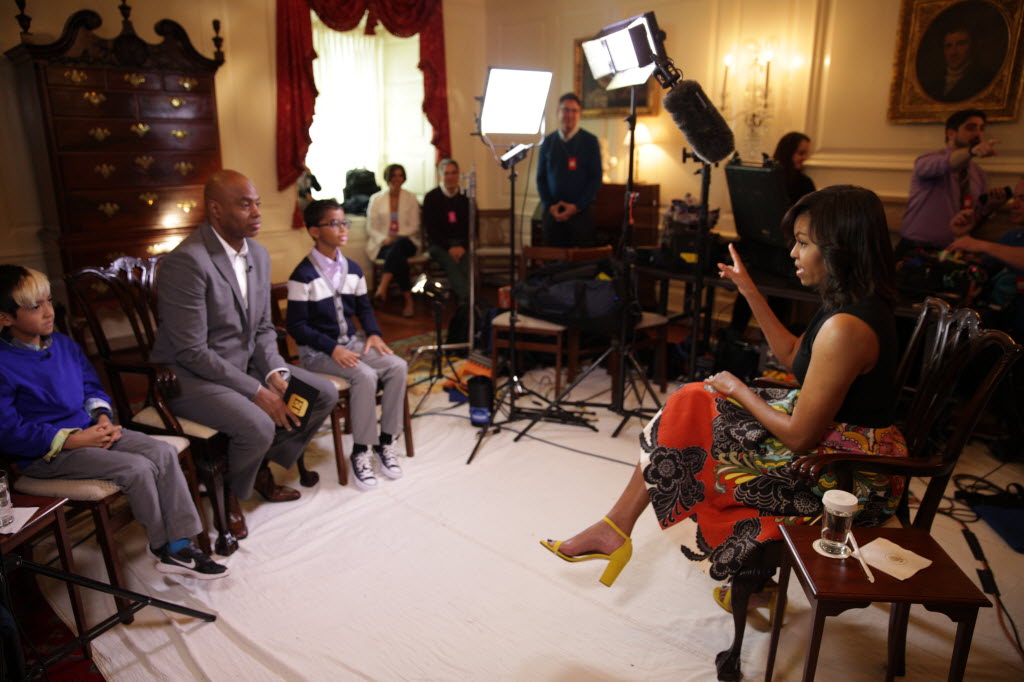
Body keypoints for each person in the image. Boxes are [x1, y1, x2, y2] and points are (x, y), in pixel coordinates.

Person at [541, 186, 907, 590]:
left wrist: (738, 389)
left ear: (840, 248)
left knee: (695, 431)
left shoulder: (846, 328)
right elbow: (792, 356)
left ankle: (716, 561)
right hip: (833, 443)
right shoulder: (846, 305)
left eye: (803, 243)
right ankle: (616, 528)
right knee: (691, 403)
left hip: (847, 475)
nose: (793, 253)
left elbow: (800, 438)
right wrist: (748, 289)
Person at [0, 265, 228, 579]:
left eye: (49, 301)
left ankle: (179, 543)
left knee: (162, 452)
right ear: (6, 318)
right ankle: (163, 546)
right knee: (137, 468)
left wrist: (104, 418)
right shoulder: (4, 363)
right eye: (35, 307)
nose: (48, 312)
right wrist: (73, 440)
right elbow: (9, 431)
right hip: (46, 454)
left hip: (91, 431)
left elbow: (91, 387)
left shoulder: (63, 344)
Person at [150, 170, 336, 540]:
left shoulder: (259, 255)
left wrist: (274, 373)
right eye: (245, 204)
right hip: (189, 378)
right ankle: (229, 494)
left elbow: (264, 328)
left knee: (322, 394)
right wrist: (256, 392)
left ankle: (257, 465)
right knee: (258, 424)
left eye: (257, 203)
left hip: (244, 365)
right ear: (216, 210)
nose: (256, 212)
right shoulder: (187, 261)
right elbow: (191, 351)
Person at [286, 199, 409, 491]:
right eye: (334, 223)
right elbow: (296, 326)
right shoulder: (301, 276)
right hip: (318, 353)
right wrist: (332, 348)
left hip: (351, 343)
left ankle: (386, 442)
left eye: (344, 222)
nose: (343, 229)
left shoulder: (353, 269)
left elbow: (364, 308)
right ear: (315, 231)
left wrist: (374, 333)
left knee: (397, 366)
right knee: (364, 375)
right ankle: (361, 450)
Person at [728, 132, 817, 337]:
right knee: (750, 297)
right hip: (763, 255)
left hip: (782, 258)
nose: (804, 158)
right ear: (788, 152)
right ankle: (738, 342)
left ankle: (768, 348)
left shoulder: (803, 183)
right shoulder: (768, 180)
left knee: (775, 305)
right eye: (800, 153)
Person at [898, 109, 1003, 253]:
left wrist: (990, 207)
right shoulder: (929, 161)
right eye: (971, 128)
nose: (978, 134)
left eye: (981, 128)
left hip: (953, 250)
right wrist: (972, 151)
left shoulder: (979, 174)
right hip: (916, 249)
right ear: (951, 133)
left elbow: (972, 219)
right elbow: (947, 163)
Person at [536, 93, 602, 248]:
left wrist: (577, 206)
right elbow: (541, 178)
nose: (570, 115)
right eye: (565, 110)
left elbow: (595, 178)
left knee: (580, 261)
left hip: (581, 214)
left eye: (574, 111)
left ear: (579, 114)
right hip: (553, 213)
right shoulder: (547, 142)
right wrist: (550, 206)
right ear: (557, 112)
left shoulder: (590, 141)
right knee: (553, 258)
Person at [367, 163, 421, 317]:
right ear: (388, 177)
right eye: (394, 175)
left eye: (400, 175)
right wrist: (384, 238)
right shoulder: (376, 199)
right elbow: (371, 227)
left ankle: (382, 288)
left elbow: (415, 225)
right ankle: (408, 300)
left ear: (404, 178)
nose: (397, 179)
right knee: (398, 257)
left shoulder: (411, 197)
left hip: (407, 241)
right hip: (383, 244)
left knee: (399, 244)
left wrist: (396, 236)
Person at [423, 159, 470, 303]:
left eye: (454, 173)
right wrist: (450, 248)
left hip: (461, 244)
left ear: (458, 175)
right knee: (451, 263)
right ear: (440, 175)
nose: (450, 177)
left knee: (467, 263)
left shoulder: (466, 196)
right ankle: (467, 300)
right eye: (446, 173)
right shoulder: (431, 197)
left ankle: (468, 300)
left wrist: (462, 246)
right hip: (439, 244)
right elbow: (431, 230)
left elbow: (472, 227)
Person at [918, 27, 997, 103]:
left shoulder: (985, 79)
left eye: (960, 44)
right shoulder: (933, 84)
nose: (953, 52)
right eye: (949, 46)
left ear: (972, 46)